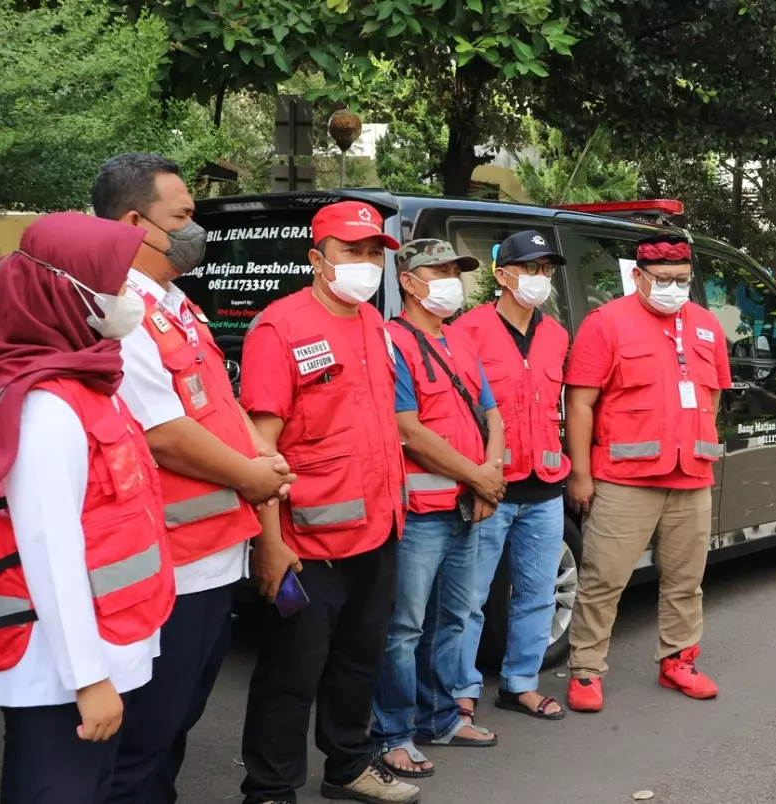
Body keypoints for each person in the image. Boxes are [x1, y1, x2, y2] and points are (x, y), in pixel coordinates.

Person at [0, 213, 177, 803]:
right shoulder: (45, 407)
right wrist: (90, 678)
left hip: (100, 649)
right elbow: (50, 552)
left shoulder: (86, 383)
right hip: (58, 670)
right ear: (65, 294)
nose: (129, 297)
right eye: (117, 284)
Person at [92, 153, 295, 804]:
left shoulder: (176, 304)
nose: (195, 228)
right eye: (182, 216)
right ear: (134, 223)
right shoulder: (119, 312)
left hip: (212, 553)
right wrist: (253, 474)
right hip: (167, 568)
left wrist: (256, 463)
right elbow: (163, 434)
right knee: (143, 742)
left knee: (173, 727)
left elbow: (218, 407)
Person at [236, 201, 419, 804]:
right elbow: (260, 448)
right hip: (307, 544)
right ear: (317, 260)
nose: (366, 265)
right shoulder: (278, 328)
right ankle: (270, 788)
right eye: (353, 252)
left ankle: (347, 766)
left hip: (377, 529)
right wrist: (270, 543)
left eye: (374, 254)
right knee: (292, 674)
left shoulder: (372, 324)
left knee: (358, 662)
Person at [563, 233, 731, 712]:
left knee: (686, 581)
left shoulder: (704, 325)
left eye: (682, 280)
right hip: (624, 479)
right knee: (603, 579)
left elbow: (713, 394)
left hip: (691, 478)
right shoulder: (606, 323)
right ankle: (587, 670)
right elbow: (581, 401)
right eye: (663, 280)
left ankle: (678, 660)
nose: (674, 288)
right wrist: (580, 472)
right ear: (637, 276)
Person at [372, 239, 506, 777]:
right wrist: (480, 478)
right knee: (403, 628)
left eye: (456, 271)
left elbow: (492, 416)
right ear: (408, 280)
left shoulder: (461, 341)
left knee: (455, 617)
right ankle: (394, 733)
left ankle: (443, 717)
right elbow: (407, 430)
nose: (452, 280)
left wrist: (488, 478)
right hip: (422, 511)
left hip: (467, 505)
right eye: (439, 271)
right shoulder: (392, 342)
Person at [452, 230, 571, 723]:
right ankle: (458, 691)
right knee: (468, 599)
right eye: (530, 268)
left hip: (545, 486)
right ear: (502, 275)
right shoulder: (466, 331)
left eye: (546, 270)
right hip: (491, 487)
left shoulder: (557, 334)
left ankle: (520, 684)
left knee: (538, 594)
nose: (539, 278)